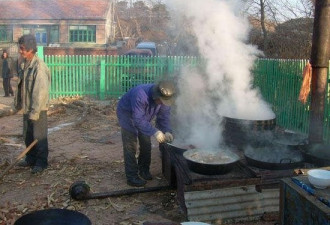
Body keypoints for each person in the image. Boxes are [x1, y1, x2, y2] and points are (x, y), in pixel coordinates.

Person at [117, 80, 175, 187]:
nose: (163, 103)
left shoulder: (164, 99)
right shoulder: (140, 94)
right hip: (127, 115)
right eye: (161, 101)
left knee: (146, 145)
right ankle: (132, 177)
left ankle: (143, 170)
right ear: (156, 96)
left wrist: (167, 130)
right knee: (131, 147)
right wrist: (155, 131)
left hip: (143, 118)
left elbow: (164, 117)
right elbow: (137, 119)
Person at [15, 34, 51, 174]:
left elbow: (40, 93)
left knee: (39, 137)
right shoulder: (25, 65)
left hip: (38, 110)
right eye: (20, 48)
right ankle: (30, 159)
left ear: (30, 49)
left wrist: (35, 113)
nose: (20, 51)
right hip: (27, 108)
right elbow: (21, 87)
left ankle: (41, 163)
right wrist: (19, 105)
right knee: (28, 136)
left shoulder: (39, 68)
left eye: (22, 48)